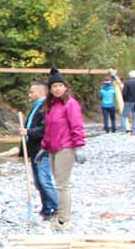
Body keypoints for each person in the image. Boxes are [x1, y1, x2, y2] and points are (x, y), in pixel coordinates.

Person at [41, 68, 86, 230]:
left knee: (62, 184)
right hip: (53, 148)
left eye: (60, 86)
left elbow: (77, 126)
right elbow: (49, 129)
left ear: (65, 87)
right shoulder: (51, 106)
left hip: (66, 147)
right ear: (50, 90)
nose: (57, 89)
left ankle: (64, 220)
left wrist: (79, 146)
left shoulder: (70, 104)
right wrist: (43, 147)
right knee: (57, 183)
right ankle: (61, 216)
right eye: (54, 86)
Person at [21, 81, 58, 220]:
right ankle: (47, 208)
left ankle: (57, 207)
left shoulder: (46, 107)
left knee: (44, 179)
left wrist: (28, 132)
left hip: (43, 149)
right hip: (34, 149)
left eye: (32, 92)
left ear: (41, 93)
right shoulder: (36, 107)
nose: (29, 94)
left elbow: (45, 129)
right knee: (38, 181)